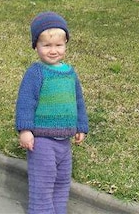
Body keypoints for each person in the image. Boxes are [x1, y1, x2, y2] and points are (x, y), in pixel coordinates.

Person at [15, 11, 89, 214]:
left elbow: (78, 101)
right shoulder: (36, 73)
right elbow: (25, 103)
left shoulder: (70, 73)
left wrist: (81, 126)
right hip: (42, 142)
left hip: (64, 142)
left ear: (65, 44)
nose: (53, 51)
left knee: (61, 183)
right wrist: (25, 130)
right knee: (43, 185)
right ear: (36, 46)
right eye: (46, 45)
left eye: (58, 45)